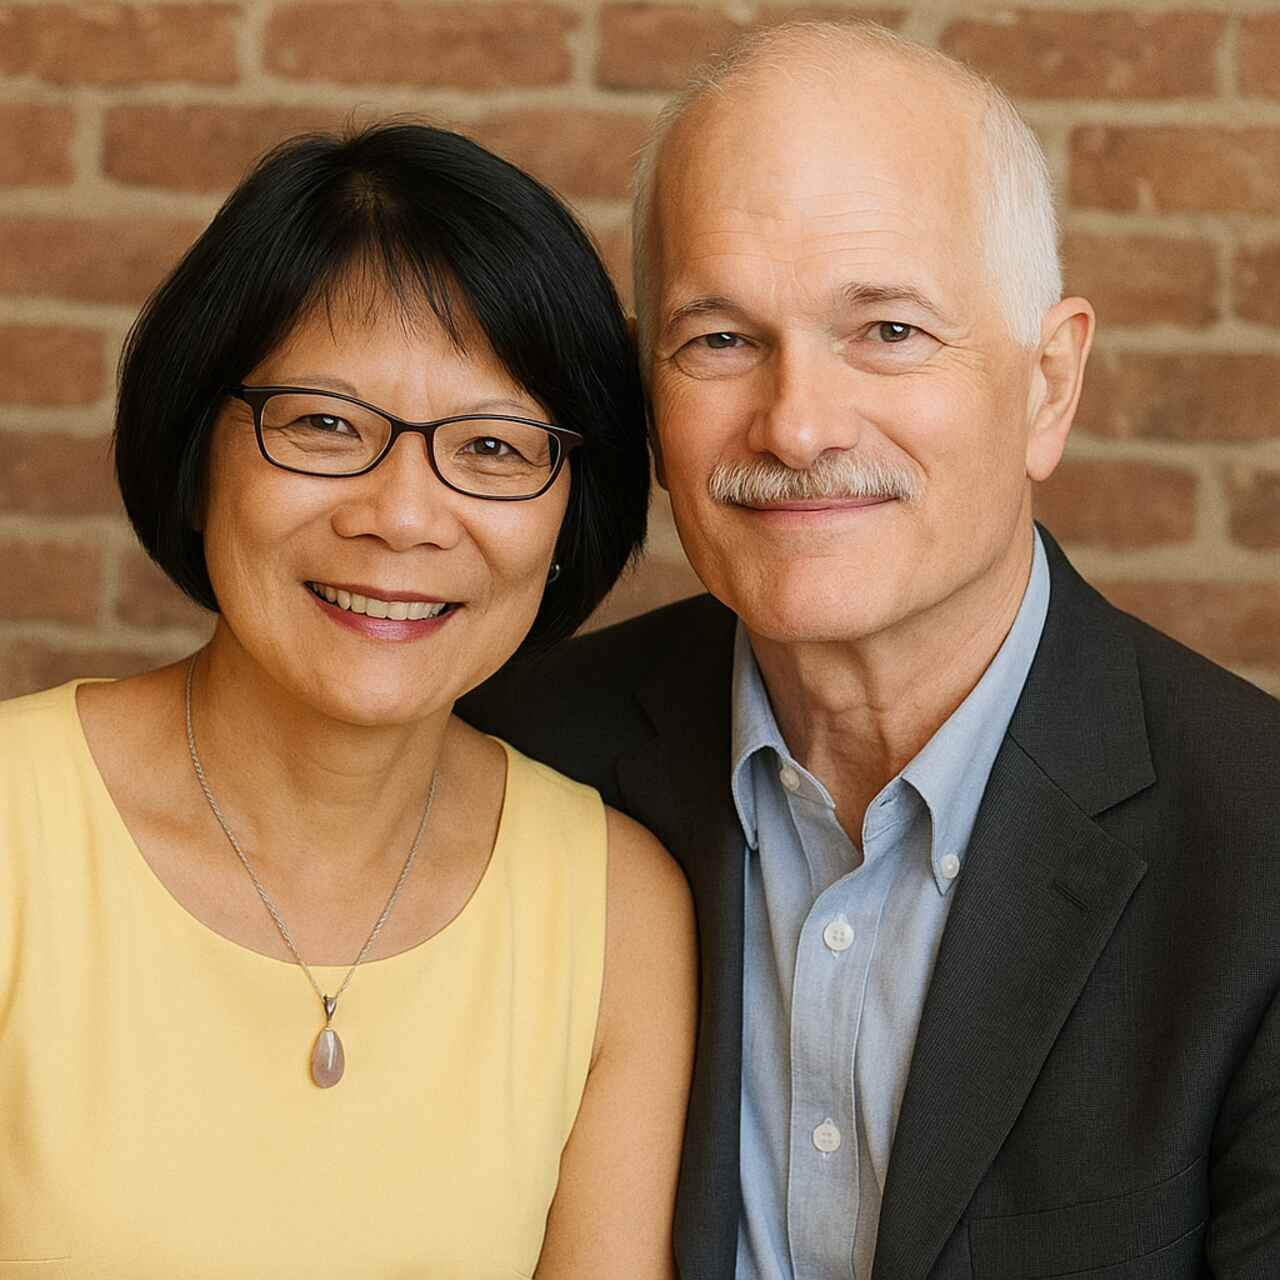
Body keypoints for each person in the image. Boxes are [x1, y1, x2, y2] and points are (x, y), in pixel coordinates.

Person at [460, 19, 1280, 1280]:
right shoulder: (514, 766)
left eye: (887, 329)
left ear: (1047, 385)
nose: (796, 423)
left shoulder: (1257, 850)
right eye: (719, 339)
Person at [0, 122, 696, 1277]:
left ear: (574, 511)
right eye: (325, 423)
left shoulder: (614, 909)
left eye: (491, 444)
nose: (404, 513)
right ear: (196, 444)